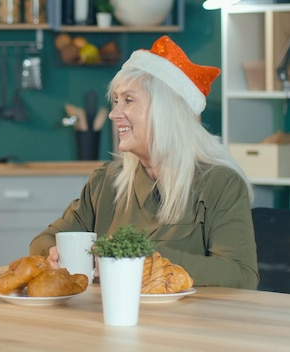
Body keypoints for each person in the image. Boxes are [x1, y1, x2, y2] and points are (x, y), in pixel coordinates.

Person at [29, 36, 259, 289]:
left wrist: (144, 258)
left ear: (166, 111)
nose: (115, 114)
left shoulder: (220, 184)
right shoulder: (107, 181)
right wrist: (54, 252)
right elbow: (44, 240)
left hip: (185, 324)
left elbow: (241, 275)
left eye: (128, 100)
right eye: (116, 101)